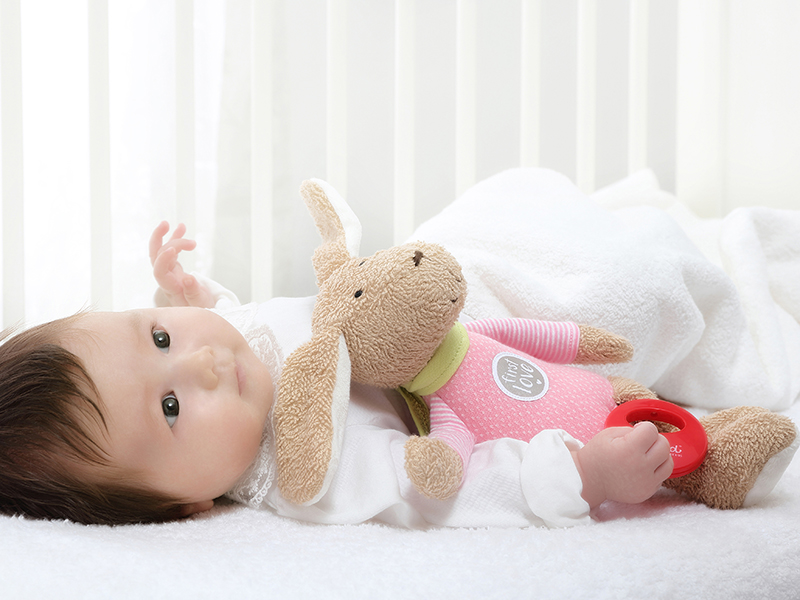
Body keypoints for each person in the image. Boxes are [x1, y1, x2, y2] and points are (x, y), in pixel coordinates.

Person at [0, 222, 758, 528]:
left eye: (159, 335)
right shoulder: (311, 472)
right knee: (637, 292)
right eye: (169, 407)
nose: (200, 360)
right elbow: (448, 487)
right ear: (186, 505)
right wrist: (583, 476)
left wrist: (188, 297)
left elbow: (243, 323)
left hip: (459, 298)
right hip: (514, 374)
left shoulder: (227, 355)